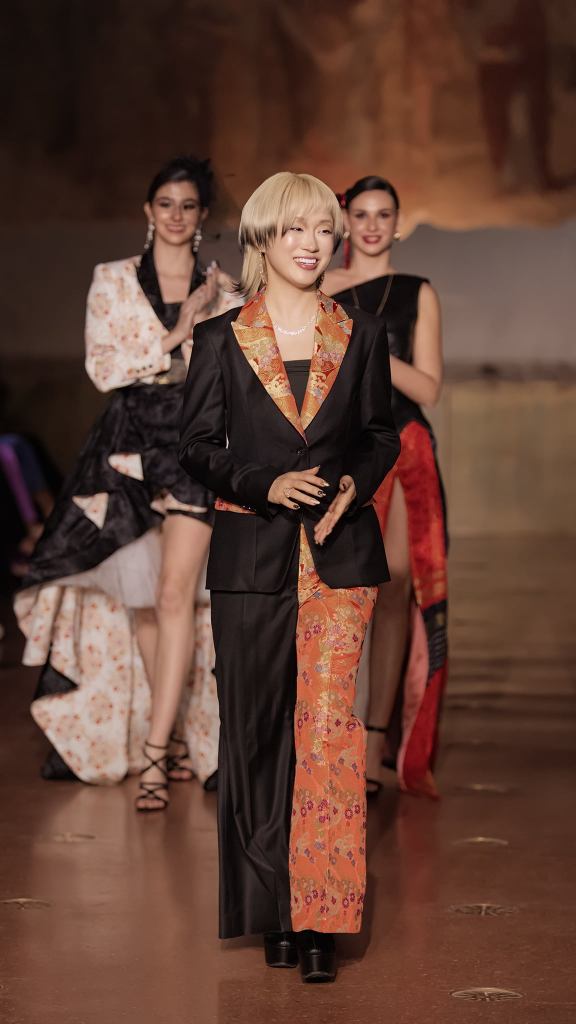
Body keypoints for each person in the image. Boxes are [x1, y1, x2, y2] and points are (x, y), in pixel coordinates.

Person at [179, 172, 400, 982]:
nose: (311, 244)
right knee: (259, 733)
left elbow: (381, 435)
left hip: (339, 557)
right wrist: (262, 484)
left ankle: (320, 921)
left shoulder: (362, 333)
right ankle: (272, 907)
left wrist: (353, 485)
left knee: (330, 732)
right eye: (294, 229)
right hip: (252, 557)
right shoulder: (220, 337)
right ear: (263, 240)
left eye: (322, 229)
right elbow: (195, 446)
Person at [15, 155, 240, 809]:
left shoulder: (224, 291)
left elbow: (230, 378)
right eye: (165, 203)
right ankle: (170, 742)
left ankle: (155, 753)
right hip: (128, 445)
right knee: (145, 603)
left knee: (174, 596)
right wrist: (179, 330)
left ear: (202, 215)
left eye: (188, 205)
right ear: (148, 211)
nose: (176, 215)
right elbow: (104, 368)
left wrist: (204, 318)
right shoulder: (112, 279)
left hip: (195, 447)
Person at [325, 175, 447, 800]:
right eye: (362, 214)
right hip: (338, 449)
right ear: (345, 221)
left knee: (394, 586)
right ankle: (328, 738)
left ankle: (373, 746)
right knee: (338, 593)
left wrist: (363, 339)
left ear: (399, 224)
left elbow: (428, 387)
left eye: (384, 215)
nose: (372, 225)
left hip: (401, 443)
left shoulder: (416, 290)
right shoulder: (319, 285)